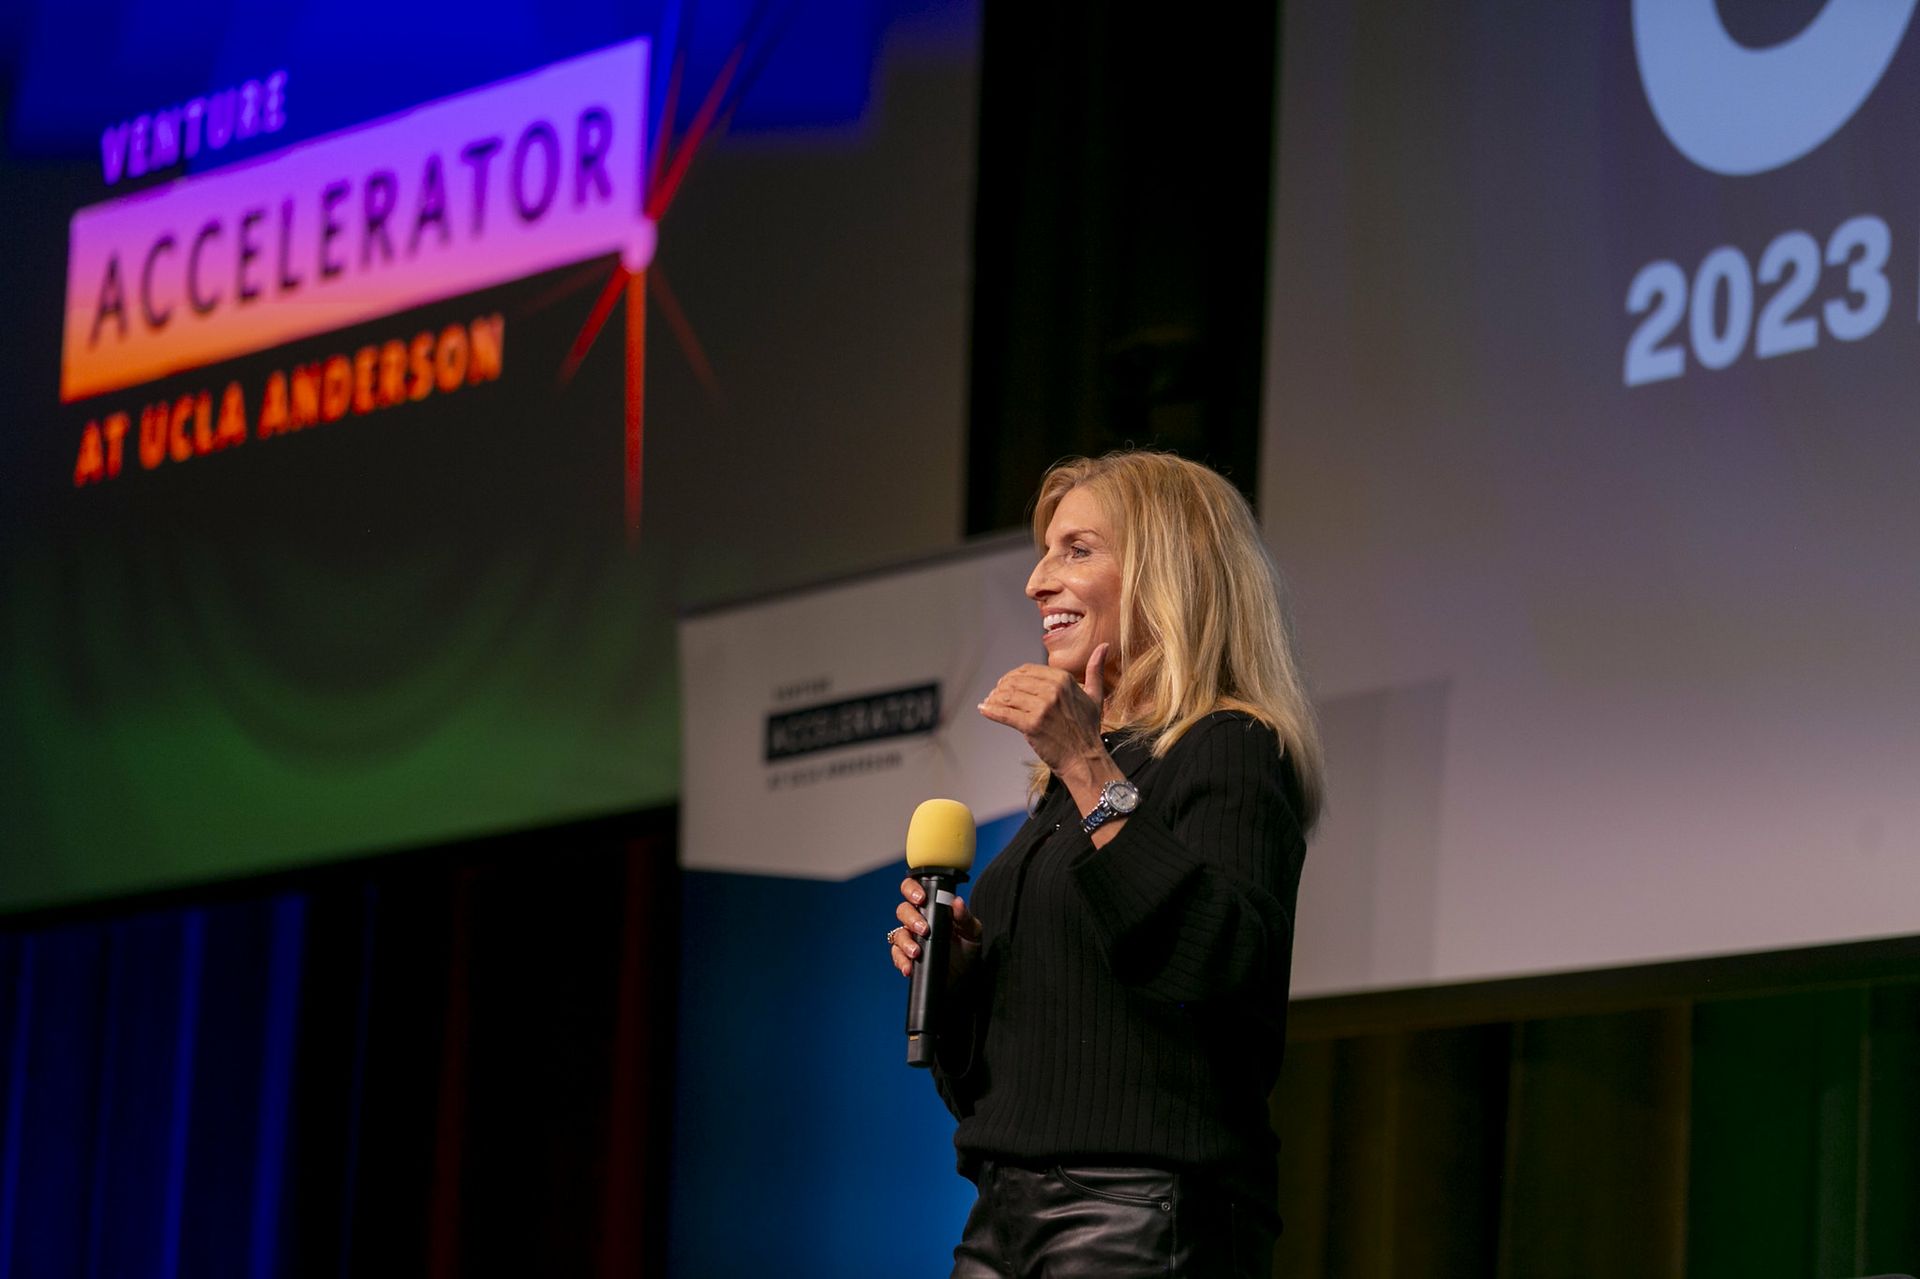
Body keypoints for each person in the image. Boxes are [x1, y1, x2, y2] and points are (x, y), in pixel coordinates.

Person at [886, 450, 1325, 1277]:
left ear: (1169, 574)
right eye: (1045, 552)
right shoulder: (1062, 794)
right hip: (999, 1213)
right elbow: (1003, 1078)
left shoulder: (1227, 749)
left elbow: (1222, 961)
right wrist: (961, 980)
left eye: (1076, 550)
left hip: (1138, 1214)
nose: (1037, 582)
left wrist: (1088, 764)